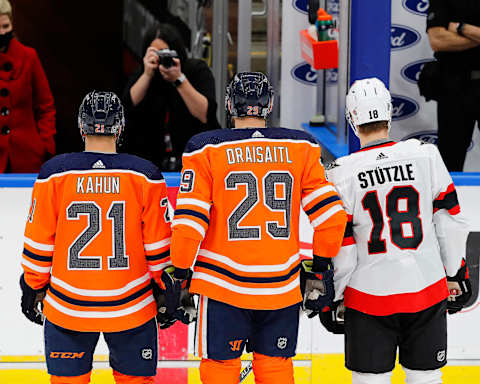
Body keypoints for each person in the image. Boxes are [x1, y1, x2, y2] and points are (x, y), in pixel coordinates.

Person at [165, 72, 347, 384]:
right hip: (280, 288)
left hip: (221, 288)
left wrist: (180, 274)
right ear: (270, 105)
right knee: (276, 373)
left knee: (219, 373)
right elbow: (332, 217)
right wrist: (319, 270)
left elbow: (188, 225)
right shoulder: (300, 147)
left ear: (229, 105)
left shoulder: (205, 148)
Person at [323, 78, 471, 384]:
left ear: (352, 120)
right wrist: (455, 272)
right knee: (426, 378)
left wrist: (332, 295)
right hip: (426, 291)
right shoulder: (425, 156)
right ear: (389, 114)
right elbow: (451, 221)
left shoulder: (341, 173)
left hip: (368, 297)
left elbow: (345, 250)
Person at [19, 91, 172, 384]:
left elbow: (39, 244)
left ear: (81, 126)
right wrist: (168, 290)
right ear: (120, 127)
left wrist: (32, 285)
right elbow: (159, 250)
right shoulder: (145, 175)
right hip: (132, 307)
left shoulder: (54, 174)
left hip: (68, 308)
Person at [122, 23, 219, 171]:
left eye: (165, 53)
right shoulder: (143, 75)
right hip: (151, 162)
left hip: (193, 160)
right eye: (156, 53)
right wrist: (147, 74)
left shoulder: (196, 70)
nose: (161, 59)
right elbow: (128, 106)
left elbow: (205, 114)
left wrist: (179, 79)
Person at [0, 0, 55, 173]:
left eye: (5, 26)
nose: (1, 32)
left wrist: (45, 145)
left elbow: (46, 106)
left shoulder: (28, 57)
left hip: (26, 157)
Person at [426, 0, 480, 171]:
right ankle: (451, 198)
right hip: (455, 87)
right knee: (450, 160)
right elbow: (437, 40)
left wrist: (461, 28)